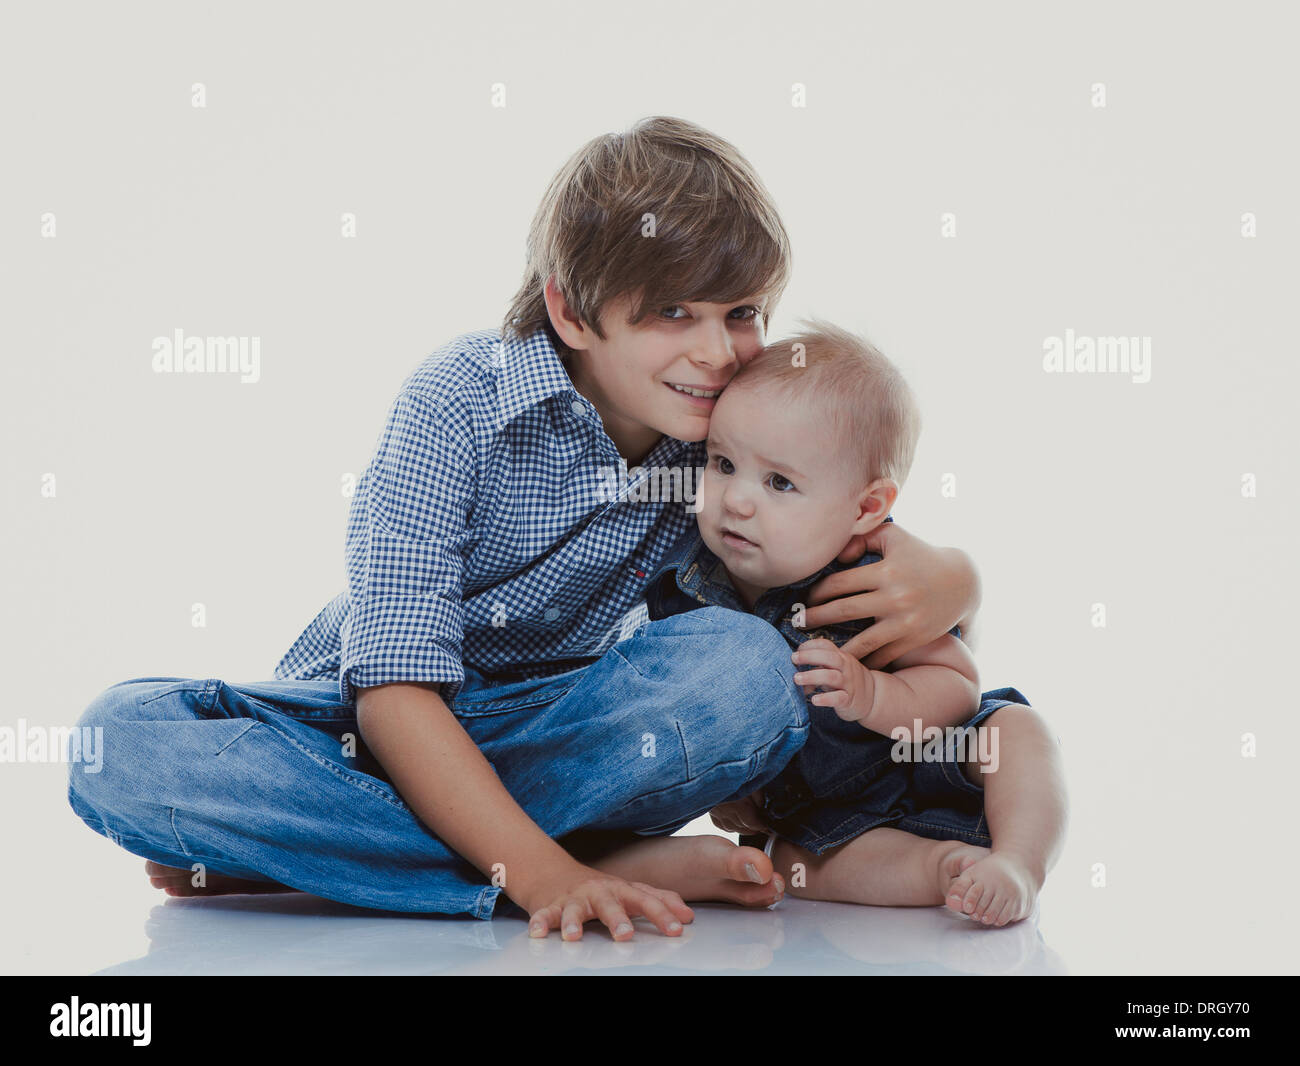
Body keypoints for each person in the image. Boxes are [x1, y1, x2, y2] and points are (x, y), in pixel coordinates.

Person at [66, 117, 984, 941]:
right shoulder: (458, 400)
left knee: (748, 669)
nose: (717, 351)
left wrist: (957, 577)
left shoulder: (724, 434)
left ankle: (332, 857)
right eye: (673, 314)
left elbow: (830, 515)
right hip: (367, 731)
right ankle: (567, 860)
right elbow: (391, 690)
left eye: (741, 314)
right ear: (572, 311)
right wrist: (544, 879)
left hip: (562, 738)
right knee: (124, 741)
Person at [649, 320, 1067, 926]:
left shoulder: (874, 577)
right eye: (722, 463)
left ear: (866, 508)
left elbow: (956, 688)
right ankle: (941, 867)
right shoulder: (683, 586)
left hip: (931, 761)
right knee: (794, 865)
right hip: (823, 814)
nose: (736, 500)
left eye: (779, 482)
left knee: (1018, 730)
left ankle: (1018, 861)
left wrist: (875, 693)